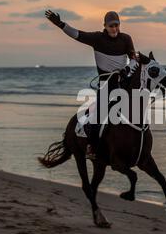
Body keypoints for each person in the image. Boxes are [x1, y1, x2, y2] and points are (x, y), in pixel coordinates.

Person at [45, 9, 138, 160]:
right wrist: (60, 24)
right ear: (105, 26)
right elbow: (77, 35)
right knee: (100, 114)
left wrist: (127, 68)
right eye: (111, 26)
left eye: (116, 25)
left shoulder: (126, 38)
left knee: (137, 109)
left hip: (123, 83)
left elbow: (134, 57)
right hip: (105, 85)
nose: (114, 29)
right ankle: (92, 147)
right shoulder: (97, 38)